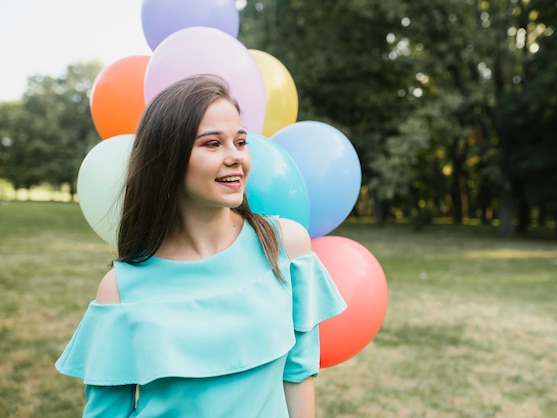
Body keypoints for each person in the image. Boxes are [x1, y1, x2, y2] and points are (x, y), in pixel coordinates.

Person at [56, 74, 347, 417]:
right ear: (169, 161)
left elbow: (298, 375)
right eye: (212, 144)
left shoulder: (286, 245)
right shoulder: (120, 290)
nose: (235, 157)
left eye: (240, 142)